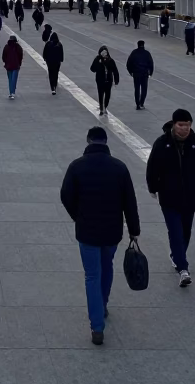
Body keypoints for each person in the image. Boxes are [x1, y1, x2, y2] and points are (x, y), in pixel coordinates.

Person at [59, 126, 141, 345]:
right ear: (106, 143)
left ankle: (97, 327)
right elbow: (130, 202)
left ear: (88, 141)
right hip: (112, 230)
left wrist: (78, 216)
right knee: (107, 267)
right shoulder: (120, 168)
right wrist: (134, 230)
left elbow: (65, 195)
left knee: (91, 275)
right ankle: (103, 304)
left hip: (87, 231)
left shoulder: (77, 166)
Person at [146, 109, 195, 287]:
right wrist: (153, 187)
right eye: (181, 125)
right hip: (169, 198)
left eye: (188, 125)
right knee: (175, 232)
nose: (184, 129)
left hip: (190, 198)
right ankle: (183, 269)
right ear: (174, 125)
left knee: (185, 232)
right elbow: (152, 166)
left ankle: (177, 255)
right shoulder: (162, 144)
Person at [90, 45, 120, 116]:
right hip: (100, 80)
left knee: (107, 95)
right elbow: (92, 69)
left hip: (108, 81)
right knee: (100, 94)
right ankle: (101, 108)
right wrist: (98, 62)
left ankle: (105, 107)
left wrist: (116, 80)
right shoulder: (97, 59)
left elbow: (115, 70)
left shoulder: (110, 60)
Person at [126, 40, 154, 110]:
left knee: (137, 89)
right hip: (144, 74)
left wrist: (131, 72)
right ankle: (142, 103)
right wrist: (150, 73)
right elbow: (151, 64)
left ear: (137, 45)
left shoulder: (134, 53)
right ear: (143, 45)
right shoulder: (147, 53)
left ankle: (137, 104)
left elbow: (128, 63)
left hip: (136, 73)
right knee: (144, 89)